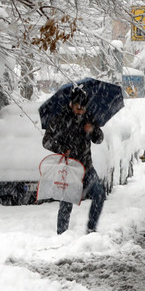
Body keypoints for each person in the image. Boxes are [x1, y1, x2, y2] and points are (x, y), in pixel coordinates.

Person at [42, 87, 107, 234]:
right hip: (70, 168)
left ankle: (91, 229)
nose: (80, 111)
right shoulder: (60, 119)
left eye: (83, 109)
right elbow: (46, 141)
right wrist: (62, 149)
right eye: (78, 108)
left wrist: (93, 130)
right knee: (67, 202)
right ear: (71, 104)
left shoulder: (88, 117)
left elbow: (99, 139)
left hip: (86, 167)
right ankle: (62, 233)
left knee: (99, 194)